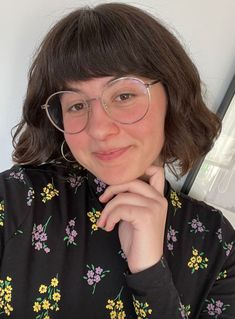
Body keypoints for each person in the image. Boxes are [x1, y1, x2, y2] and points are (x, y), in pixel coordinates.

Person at [0, 2, 234, 318]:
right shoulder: (16, 199)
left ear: (172, 97)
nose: (99, 129)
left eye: (123, 96)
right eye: (76, 105)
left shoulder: (217, 243)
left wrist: (151, 275)